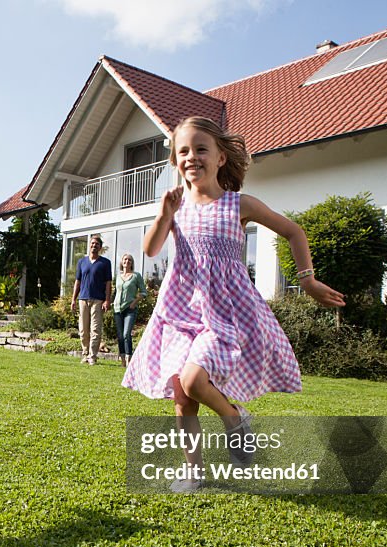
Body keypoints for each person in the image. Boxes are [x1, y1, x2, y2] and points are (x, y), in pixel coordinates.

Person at [123, 116, 344, 493]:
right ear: (176, 162)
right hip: (180, 311)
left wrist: (306, 279)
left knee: (194, 380)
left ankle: (233, 417)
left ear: (221, 157)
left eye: (201, 149)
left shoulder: (238, 204)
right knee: (181, 395)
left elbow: (293, 231)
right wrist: (163, 214)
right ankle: (193, 471)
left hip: (224, 313)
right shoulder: (176, 207)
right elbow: (151, 249)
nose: (192, 157)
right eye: (183, 152)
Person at [70, 234, 113, 365]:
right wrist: (73, 299)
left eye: (97, 244)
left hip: (98, 300)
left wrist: (107, 300)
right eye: (92, 243)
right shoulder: (82, 262)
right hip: (83, 299)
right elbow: (77, 282)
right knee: (83, 329)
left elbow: (108, 283)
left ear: (100, 247)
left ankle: (92, 356)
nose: (94, 245)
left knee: (95, 329)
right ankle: (84, 353)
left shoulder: (105, 263)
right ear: (90, 245)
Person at [113, 253, 146, 367]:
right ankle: (122, 360)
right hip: (117, 309)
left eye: (129, 260)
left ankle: (129, 359)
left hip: (130, 308)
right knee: (120, 335)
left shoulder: (136, 276)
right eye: (125, 259)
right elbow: (116, 292)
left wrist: (134, 302)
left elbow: (143, 292)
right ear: (122, 262)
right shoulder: (118, 276)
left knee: (127, 333)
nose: (127, 261)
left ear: (132, 263)